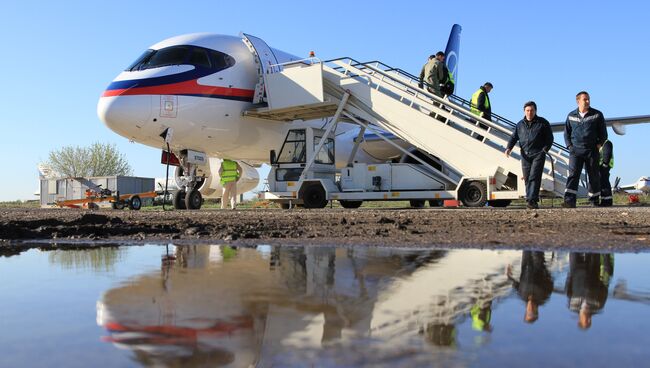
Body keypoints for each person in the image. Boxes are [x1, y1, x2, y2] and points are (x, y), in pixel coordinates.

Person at [505, 101, 554, 209]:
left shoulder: (543, 123)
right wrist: (509, 148)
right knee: (527, 178)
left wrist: (545, 150)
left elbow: (550, 139)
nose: (529, 112)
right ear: (524, 111)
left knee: (534, 177)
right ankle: (530, 199)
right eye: (527, 110)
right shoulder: (520, 124)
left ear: (535, 111)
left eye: (531, 110)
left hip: (538, 154)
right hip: (525, 155)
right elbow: (514, 137)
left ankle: (532, 201)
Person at [562, 91, 608, 208]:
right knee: (573, 175)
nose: (587, 101)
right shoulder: (571, 115)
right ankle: (569, 201)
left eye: (588, 99)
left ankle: (594, 200)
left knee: (593, 175)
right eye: (585, 99)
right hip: (576, 151)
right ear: (578, 101)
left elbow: (603, 133)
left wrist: (598, 145)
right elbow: (566, 133)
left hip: (591, 150)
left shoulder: (597, 115)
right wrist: (570, 147)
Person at [565, 252, 614, 329]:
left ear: (579, 320)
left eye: (586, 321)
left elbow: (568, 290)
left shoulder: (572, 307)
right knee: (593, 248)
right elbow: (604, 288)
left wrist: (570, 275)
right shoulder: (598, 307)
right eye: (589, 322)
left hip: (576, 271)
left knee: (574, 248)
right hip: (594, 269)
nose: (589, 319)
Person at [506, 251, 553, 323]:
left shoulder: (522, 295)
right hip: (538, 263)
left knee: (526, 248)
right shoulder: (543, 297)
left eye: (528, 312)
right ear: (536, 311)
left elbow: (515, 285)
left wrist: (509, 276)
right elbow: (550, 284)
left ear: (526, 311)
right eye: (533, 312)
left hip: (525, 263)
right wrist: (547, 273)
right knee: (536, 249)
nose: (530, 309)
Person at [599, 139, 614, 206]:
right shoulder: (603, 143)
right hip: (602, 166)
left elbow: (607, 153)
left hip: (605, 166)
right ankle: (604, 201)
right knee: (603, 183)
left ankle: (607, 201)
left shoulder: (606, 143)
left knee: (604, 183)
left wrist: (605, 164)